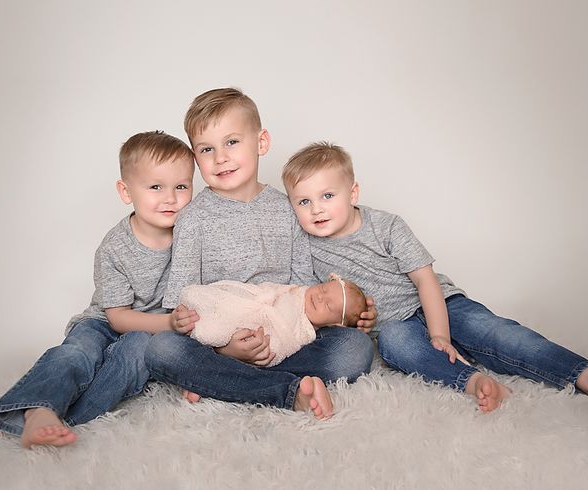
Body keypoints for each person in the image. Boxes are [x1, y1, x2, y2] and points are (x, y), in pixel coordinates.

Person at [72, 88, 376, 421]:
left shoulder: (286, 209)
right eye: (206, 149)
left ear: (261, 143)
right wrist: (224, 348)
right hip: (219, 337)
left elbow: (302, 286)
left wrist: (343, 310)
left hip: (282, 335)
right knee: (162, 349)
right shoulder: (192, 218)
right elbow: (183, 306)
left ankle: (222, 380)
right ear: (195, 157)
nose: (221, 158)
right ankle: (282, 391)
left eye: (232, 142)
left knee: (355, 348)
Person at [282, 142, 588, 412]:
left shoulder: (386, 225)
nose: (317, 209)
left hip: (441, 303)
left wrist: (440, 333)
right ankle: (473, 382)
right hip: (394, 325)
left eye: (327, 195)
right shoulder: (308, 247)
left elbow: (425, 280)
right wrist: (353, 322)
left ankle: (586, 375)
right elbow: (315, 305)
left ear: (353, 192)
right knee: (396, 344)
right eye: (303, 202)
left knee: (497, 333)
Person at [0, 131, 196, 447]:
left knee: (133, 357)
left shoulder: (192, 235)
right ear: (125, 191)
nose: (170, 197)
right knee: (77, 353)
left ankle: (61, 418)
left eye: (181, 186)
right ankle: (39, 407)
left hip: (151, 335)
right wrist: (168, 323)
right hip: (103, 322)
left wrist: (191, 368)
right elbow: (118, 319)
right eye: (156, 186)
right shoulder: (114, 247)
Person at [182, 275, 367, 366]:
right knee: (166, 347)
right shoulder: (298, 290)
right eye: (323, 289)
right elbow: (268, 289)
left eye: (328, 306)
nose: (319, 297)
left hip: (254, 336)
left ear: (335, 325)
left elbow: (283, 345)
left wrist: (262, 350)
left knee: (356, 350)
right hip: (248, 305)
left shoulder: (305, 332)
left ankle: (209, 367)